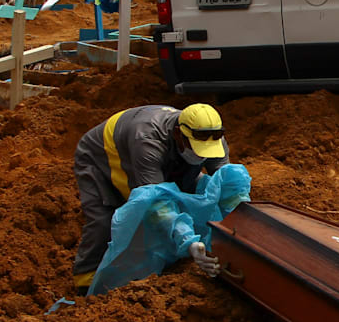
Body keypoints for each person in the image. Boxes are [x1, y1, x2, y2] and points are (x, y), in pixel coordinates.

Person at [72, 103, 229, 290]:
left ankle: (167, 258)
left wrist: (243, 218)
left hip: (156, 154)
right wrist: (189, 243)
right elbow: (156, 202)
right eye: (195, 148)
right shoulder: (147, 141)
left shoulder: (213, 138)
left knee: (184, 195)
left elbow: (229, 184)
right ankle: (85, 280)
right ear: (178, 134)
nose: (200, 155)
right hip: (102, 156)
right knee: (104, 219)